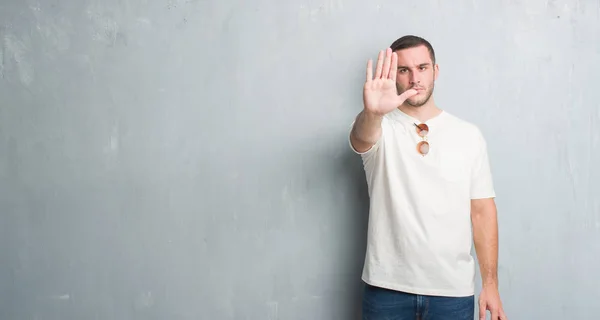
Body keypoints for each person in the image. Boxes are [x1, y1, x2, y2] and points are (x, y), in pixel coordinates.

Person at [349, 35, 507, 320]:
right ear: (394, 75)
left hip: (452, 292)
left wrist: (491, 285)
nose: (414, 78)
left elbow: (483, 212)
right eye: (404, 70)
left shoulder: (468, 135)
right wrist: (372, 113)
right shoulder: (380, 127)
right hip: (387, 289)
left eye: (422, 68)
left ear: (436, 71)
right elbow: (360, 139)